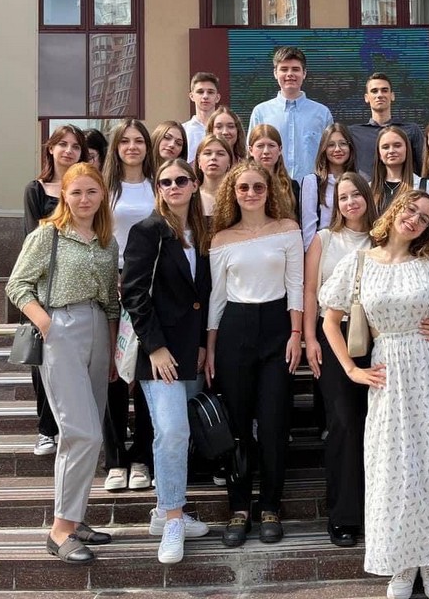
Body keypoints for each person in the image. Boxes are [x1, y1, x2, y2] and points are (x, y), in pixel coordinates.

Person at [319, 190, 429, 599]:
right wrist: (351, 370)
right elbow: (329, 320)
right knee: (394, 465)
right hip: (388, 370)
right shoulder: (358, 262)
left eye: (425, 217)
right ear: (395, 211)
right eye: (410, 210)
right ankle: (402, 562)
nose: (415, 219)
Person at [5, 162, 119, 564]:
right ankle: (59, 531)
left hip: (98, 331)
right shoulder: (46, 234)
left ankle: (75, 517)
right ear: (64, 196)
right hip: (61, 328)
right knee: (79, 432)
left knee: (91, 433)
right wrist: (46, 323)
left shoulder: (107, 242)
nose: (84, 199)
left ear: (102, 195)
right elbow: (17, 284)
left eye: (92, 191)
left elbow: (111, 301)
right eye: (76, 192)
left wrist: (112, 349)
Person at [206, 160, 304, 548]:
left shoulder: (287, 229)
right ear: (233, 192)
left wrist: (296, 333)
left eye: (258, 187)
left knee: (275, 421)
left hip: (277, 328)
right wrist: (211, 347)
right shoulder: (221, 238)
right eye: (243, 187)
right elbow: (216, 297)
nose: (250, 193)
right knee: (238, 424)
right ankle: (239, 508)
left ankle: (270, 507)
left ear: (269, 190)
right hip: (234, 329)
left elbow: (296, 286)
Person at [121, 158, 212, 564]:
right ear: (158, 188)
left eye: (180, 180)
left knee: (181, 432)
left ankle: (165, 511)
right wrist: (155, 347)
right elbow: (133, 293)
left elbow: (205, 293)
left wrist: (204, 344)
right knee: (172, 432)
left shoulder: (204, 231)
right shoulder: (148, 231)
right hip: (159, 353)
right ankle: (173, 519)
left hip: (192, 351)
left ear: (194, 184)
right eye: (165, 182)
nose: (173, 187)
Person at [302, 171, 375, 548]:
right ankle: (344, 515)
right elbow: (309, 290)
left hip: (379, 337)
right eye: (343, 197)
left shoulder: (382, 238)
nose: (350, 202)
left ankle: (378, 512)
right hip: (333, 335)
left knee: (377, 425)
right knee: (344, 422)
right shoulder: (324, 239)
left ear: (367, 197)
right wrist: (309, 338)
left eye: (355, 195)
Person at [22, 124, 89, 457]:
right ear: (50, 149)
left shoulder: (86, 187)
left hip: (82, 285)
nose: (68, 151)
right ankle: (46, 430)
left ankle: (76, 425)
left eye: (75, 146)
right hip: (46, 287)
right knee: (45, 360)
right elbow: (30, 239)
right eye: (62, 144)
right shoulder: (36, 190)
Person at [102, 118, 157, 493]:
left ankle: (141, 458)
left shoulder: (158, 184)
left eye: (139, 140)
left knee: (145, 370)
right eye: (126, 141)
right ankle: (115, 460)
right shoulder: (106, 187)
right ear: (116, 147)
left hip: (150, 285)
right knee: (113, 374)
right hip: (111, 282)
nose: (133, 147)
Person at [247, 46, 333, 179]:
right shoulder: (261, 112)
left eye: (295, 69)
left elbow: (331, 156)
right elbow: (251, 155)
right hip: (271, 186)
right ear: (275, 73)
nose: (290, 74)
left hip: (313, 187)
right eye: (284, 69)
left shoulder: (322, 113)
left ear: (304, 73)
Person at [349, 73, 425, 176]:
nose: (379, 95)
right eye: (374, 91)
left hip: (405, 185)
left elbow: (424, 166)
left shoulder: (411, 130)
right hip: (366, 186)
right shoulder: (353, 133)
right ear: (366, 98)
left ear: (392, 96)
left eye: (384, 90)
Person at [300, 123, 358, 250]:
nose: (337, 149)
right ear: (324, 149)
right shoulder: (312, 182)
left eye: (343, 143)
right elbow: (308, 231)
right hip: (323, 251)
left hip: (352, 249)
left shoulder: (359, 182)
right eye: (331, 145)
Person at [371, 126, 429, 213]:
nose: (391, 151)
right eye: (385, 147)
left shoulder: (425, 186)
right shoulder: (369, 188)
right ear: (379, 153)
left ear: (407, 149)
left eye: (397, 146)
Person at [249, 123, 299, 220]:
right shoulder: (243, 186)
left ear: (280, 150)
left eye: (271, 145)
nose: (266, 151)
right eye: (260, 146)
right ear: (251, 150)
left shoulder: (292, 187)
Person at [183, 72, 221, 163]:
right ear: (191, 96)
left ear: (217, 97)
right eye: (200, 92)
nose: (205, 96)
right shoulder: (183, 130)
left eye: (210, 92)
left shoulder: (226, 129)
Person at [194, 134, 234, 216]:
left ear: (229, 162)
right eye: (207, 153)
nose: (213, 158)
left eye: (220, 154)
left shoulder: (237, 196)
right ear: (199, 161)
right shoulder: (190, 196)